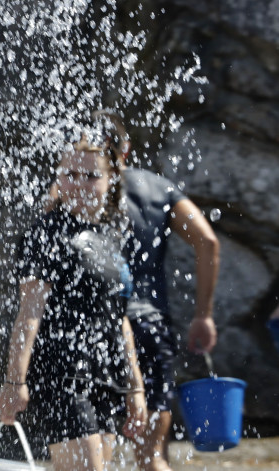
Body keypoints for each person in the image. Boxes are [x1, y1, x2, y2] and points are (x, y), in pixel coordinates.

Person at [0, 127, 148, 471]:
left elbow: (118, 316)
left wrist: (135, 386)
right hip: (62, 373)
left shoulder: (112, 232)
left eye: (91, 176)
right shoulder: (45, 232)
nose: (79, 183)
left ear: (111, 180)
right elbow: (29, 313)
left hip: (106, 373)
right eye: (70, 174)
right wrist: (14, 381)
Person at [91, 110, 219, 471]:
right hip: (150, 325)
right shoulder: (157, 188)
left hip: (101, 329)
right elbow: (208, 242)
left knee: (95, 455)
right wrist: (203, 316)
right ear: (125, 149)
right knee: (152, 457)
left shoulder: (74, 191)